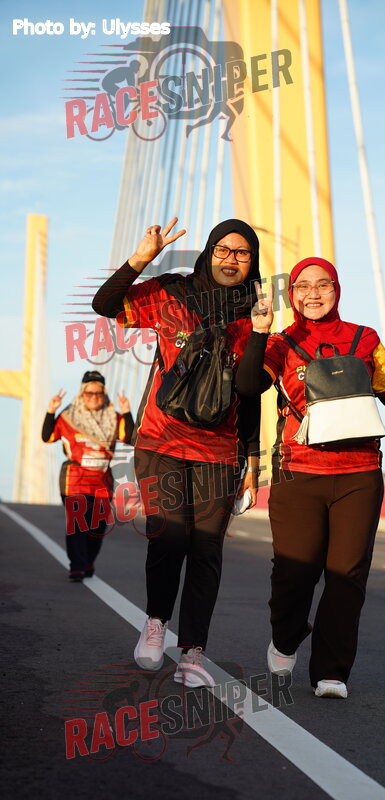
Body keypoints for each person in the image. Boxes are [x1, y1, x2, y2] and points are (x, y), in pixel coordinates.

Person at [235, 256, 385, 699]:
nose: (313, 294)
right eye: (303, 286)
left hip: (359, 474)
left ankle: (331, 671)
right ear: (292, 294)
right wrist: (258, 334)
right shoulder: (281, 343)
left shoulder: (364, 338)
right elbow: (248, 386)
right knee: (294, 575)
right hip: (298, 474)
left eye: (323, 284)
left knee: (347, 575)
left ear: (337, 290)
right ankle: (286, 637)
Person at [92, 217, 261, 687]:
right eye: (223, 249)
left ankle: (192, 653)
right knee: (168, 538)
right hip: (161, 439)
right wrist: (140, 259)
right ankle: (155, 624)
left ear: (253, 263)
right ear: (209, 252)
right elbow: (105, 305)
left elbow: (250, 395)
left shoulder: (255, 315)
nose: (231, 259)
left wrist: (252, 460)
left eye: (242, 253)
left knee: (207, 550)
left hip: (221, 451)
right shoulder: (172, 293)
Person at [42, 371, 133, 582]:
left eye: (98, 393)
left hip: (102, 481)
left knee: (97, 528)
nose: (94, 397)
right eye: (89, 393)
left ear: (104, 394)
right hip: (74, 479)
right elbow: (47, 437)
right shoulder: (68, 417)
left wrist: (127, 412)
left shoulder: (114, 418)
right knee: (77, 524)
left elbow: (128, 437)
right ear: (82, 393)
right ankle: (77, 566)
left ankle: (89, 560)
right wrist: (51, 411)